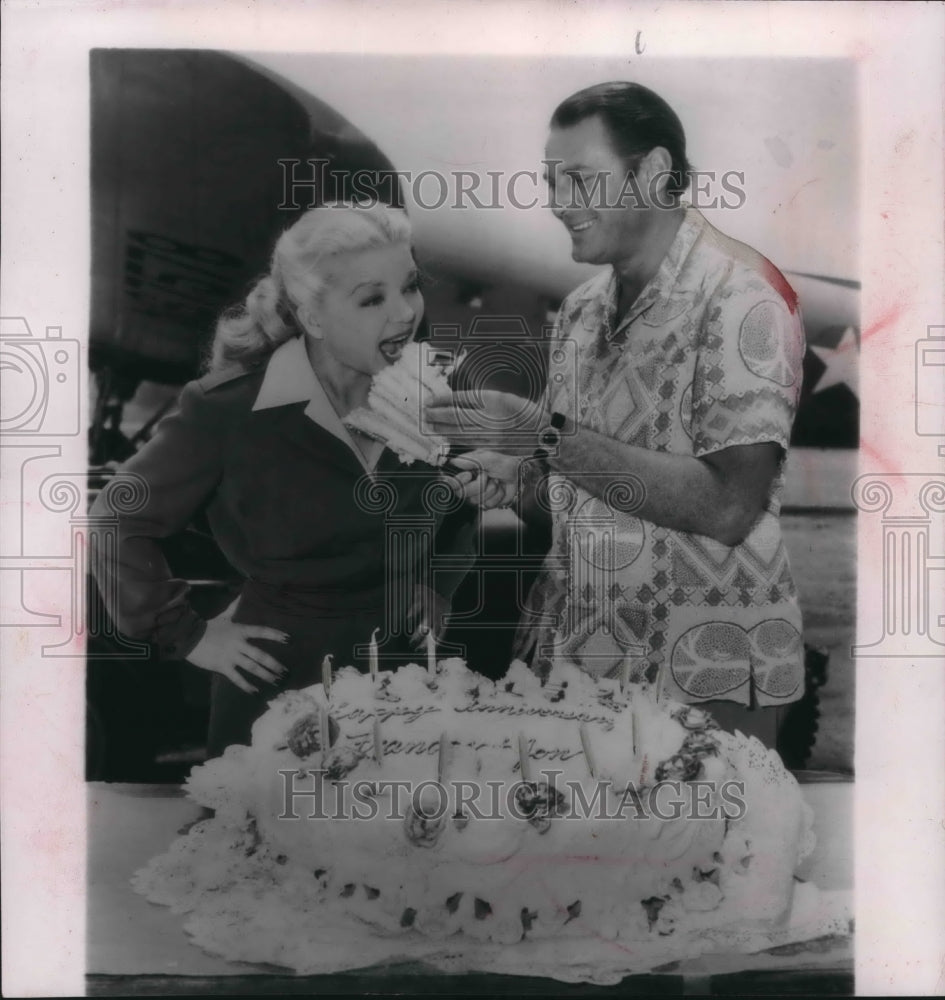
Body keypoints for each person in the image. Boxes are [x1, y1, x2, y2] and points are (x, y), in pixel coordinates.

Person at [427, 82, 806, 747]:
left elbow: (727, 508)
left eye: (580, 178)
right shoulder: (578, 311)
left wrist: (537, 434)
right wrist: (513, 483)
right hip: (574, 668)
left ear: (654, 172)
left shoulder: (741, 301)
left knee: (702, 853)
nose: (557, 203)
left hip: (698, 684)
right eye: (550, 181)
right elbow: (583, 502)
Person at [90, 201, 478, 758]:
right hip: (278, 682)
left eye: (410, 286)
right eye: (372, 298)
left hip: (403, 676)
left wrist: (437, 585)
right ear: (313, 318)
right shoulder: (226, 410)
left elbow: (463, 495)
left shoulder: (433, 392)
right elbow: (116, 517)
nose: (404, 314)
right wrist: (188, 634)